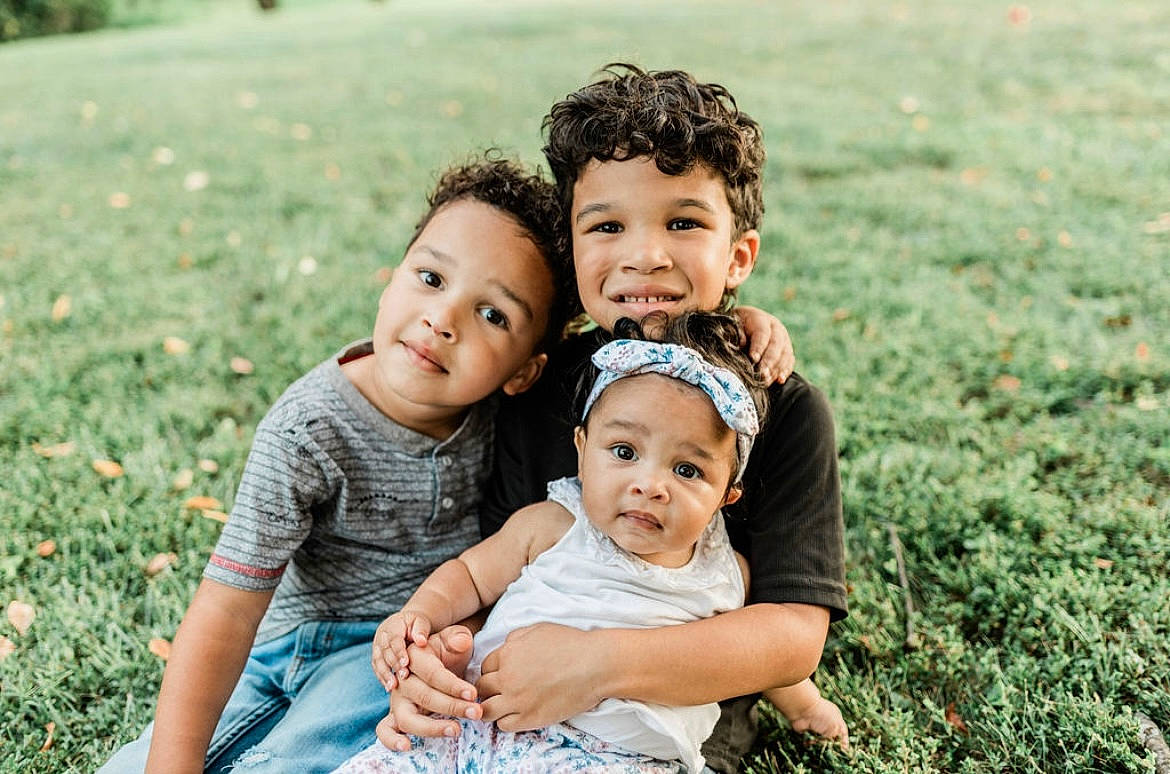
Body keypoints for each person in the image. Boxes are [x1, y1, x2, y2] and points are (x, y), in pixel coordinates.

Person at [379, 65, 850, 772]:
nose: (644, 256)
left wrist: (595, 666)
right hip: (503, 701)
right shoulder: (539, 391)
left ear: (738, 256)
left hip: (667, 722)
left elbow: (791, 638)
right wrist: (439, 661)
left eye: (684, 223)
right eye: (606, 226)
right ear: (572, 252)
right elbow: (494, 576)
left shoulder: (782, 409)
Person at [97, 156, 577, 774]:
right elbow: (226, 610)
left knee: (302, 759)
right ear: (391, 279)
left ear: (524, 372)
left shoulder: (509, 422)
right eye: (431, 278)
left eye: (493, 315)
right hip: (281, 642)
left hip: (391, 653)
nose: (443, 320)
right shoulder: (308, 430)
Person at [338, 312, 829, 773]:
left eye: (686, 470)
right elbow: (469, 575)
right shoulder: (553, 524)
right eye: (624, 452)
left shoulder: (726, 572)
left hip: (617, 757)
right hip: (478, 723)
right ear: (581, 450)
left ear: (726, 495)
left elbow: (759, 660)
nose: (650, 486)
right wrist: (419, 618)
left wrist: (806, 706)